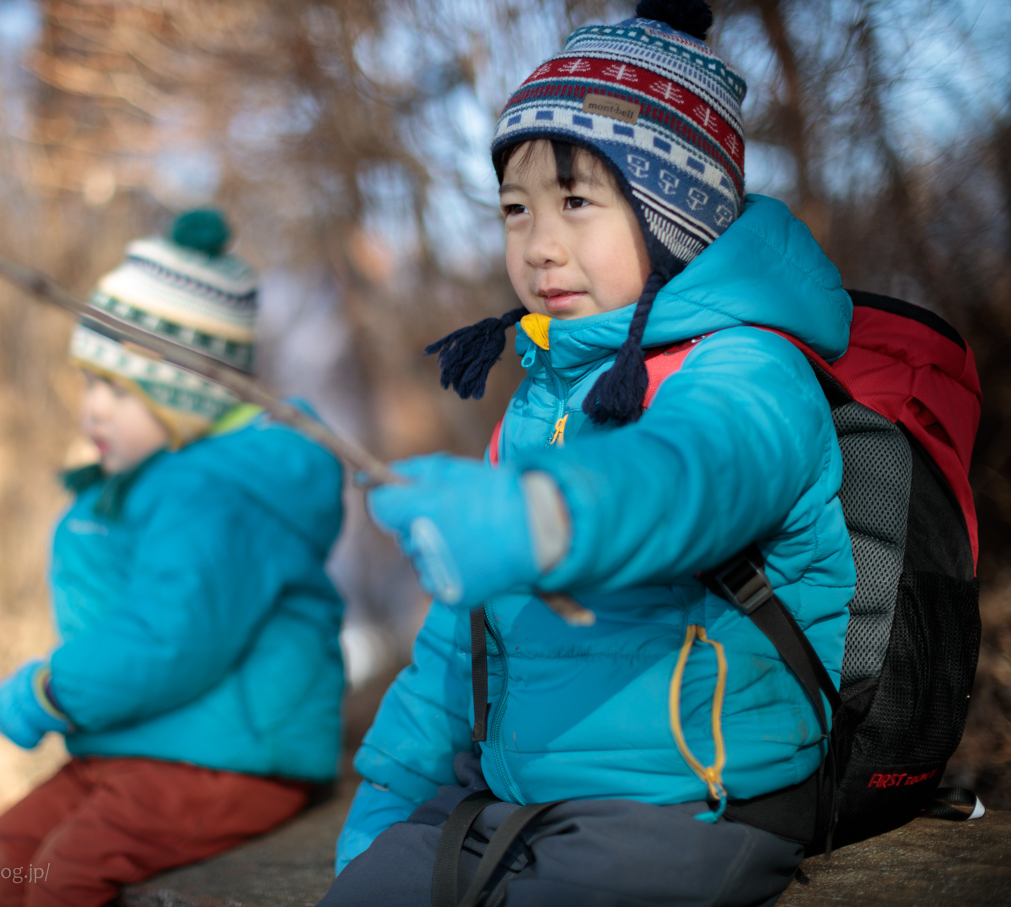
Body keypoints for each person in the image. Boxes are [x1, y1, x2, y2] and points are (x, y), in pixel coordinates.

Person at [322, 1, 856, 904]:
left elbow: (691, 479)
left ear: (670, 217)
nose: (539, 245)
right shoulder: (538, 403)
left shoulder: (750, 368)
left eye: (576, 202)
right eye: (516, 210)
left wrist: (542, 514)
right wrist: (390, 795)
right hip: (523, 799)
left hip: (698, 805)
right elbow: (463, 639)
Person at [0, 210, 346, 907]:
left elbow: (171, 637)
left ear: (187, 394)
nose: (93, 411)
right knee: (2, 856)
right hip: (144, 743)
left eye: (120, 388)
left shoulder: (214, 494)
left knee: (65, 874)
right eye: (89, 381)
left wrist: (51, 689)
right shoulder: (157, 479)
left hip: (230, 758)